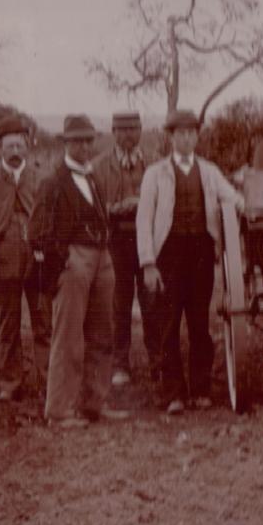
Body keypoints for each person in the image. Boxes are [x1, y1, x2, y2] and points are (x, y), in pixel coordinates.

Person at [135, 109, 242, 414]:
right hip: (168, 256)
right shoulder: (155, 174)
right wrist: (148, 263)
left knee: (199, 325)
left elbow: (232, 198)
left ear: (197, 136)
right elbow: (144, 221)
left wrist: (251, 205)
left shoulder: (209, 171)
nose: (186, 138)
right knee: (168, 326)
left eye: (191, 133)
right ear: (170, 138)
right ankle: (173, 395)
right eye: (180, 133)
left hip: (201, 255)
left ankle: (201, 390)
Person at [31, 114, 125, 427]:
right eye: (77, 141)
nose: (84, 146)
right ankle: (58, 410)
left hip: (100, 257)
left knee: (102, 333)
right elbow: (38, 231)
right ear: (66, 143)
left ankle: (92, 403)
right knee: (68, 335)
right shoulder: (53, 181)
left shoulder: (92, 177)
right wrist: (63, 261)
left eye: (88, 140)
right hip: (74, 260)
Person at [0, 117, 49, 402]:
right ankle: (10, 384)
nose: (15, 150)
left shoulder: (41, 178)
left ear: (27, 147)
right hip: (3, 264)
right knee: (9, 326)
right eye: (9, 146)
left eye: (20, 144)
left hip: (38, 264)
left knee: (43, 322)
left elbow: (51, 221)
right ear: (0, 150)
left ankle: (49, 383)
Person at [93, 111, 161, 386]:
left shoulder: (155, 165)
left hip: (147, 243)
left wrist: (143, 207)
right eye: (122, 130)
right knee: (118, 305)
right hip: (116, 243)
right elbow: (95, 206)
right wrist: (116, 208)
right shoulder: (99, 167)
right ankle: (120, 363)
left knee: (153, 302)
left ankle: (158, 361)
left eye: (134, 129)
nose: (129, 135)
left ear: (141, 131)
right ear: (113, 132)